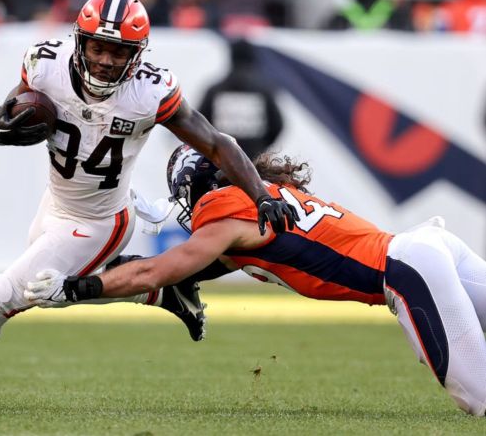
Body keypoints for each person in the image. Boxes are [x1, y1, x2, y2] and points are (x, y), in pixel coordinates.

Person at [0, 0, 297, 409]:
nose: (107, 60)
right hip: (54, 204)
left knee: (1, 297)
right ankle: (161, 292)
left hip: (101, 220)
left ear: (138, 54)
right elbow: (3, 114)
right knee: (38, 292)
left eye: (119, 51)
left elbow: (217, 143)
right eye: (99, 47)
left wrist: (259, 194)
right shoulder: (45, 65)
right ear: (81, 39)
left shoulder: (150, 92)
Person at [26, 144, 486, 416]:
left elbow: (160, 269)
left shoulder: (223, 205)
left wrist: (75, 289)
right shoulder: (257, 205)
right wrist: (112, 274)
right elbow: (173, 277)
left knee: (475, 395)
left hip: (407, 270)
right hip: (429, 248)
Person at [198, 38, 283, 159]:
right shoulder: (263, 90)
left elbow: (199, 123)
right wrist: (260, 147)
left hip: (221, 162)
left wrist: (214, 148)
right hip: (253, 163)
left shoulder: (216, 90)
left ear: (231, 58)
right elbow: (278, 125)